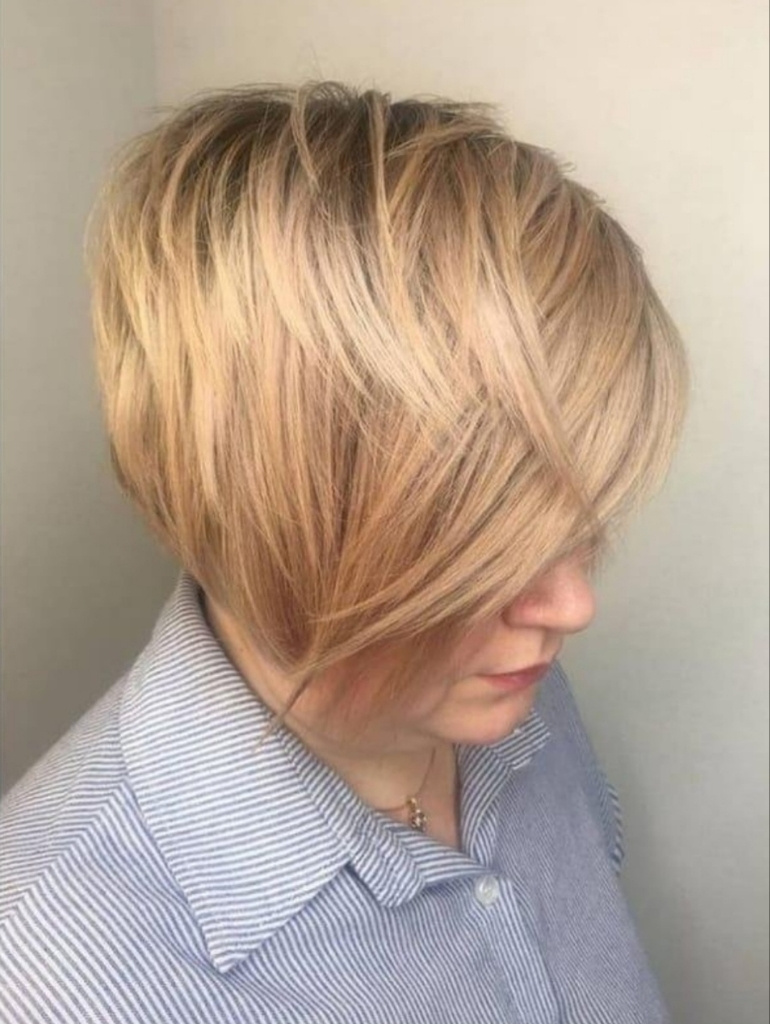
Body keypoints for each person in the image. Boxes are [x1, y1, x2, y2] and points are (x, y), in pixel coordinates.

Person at [0, 82, 689, 1023]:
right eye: (481, 543)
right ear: (255, 509)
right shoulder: (50, 975)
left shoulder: (506, 693)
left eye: (575, 527)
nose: (572, 607)